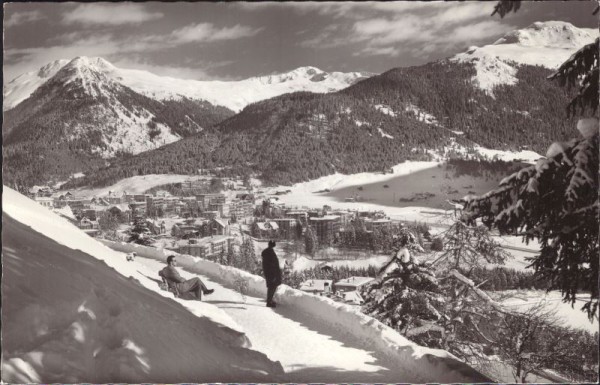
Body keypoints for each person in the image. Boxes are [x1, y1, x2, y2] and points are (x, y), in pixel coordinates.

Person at [261, 240, 282, 307]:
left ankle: (269, 300)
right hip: (271, 273)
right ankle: (269, 302)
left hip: (269, 272)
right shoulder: (270, 253)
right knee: (272, 287)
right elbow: (272, 265)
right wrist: (274, 274)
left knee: (271, 286)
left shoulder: (267, 252)